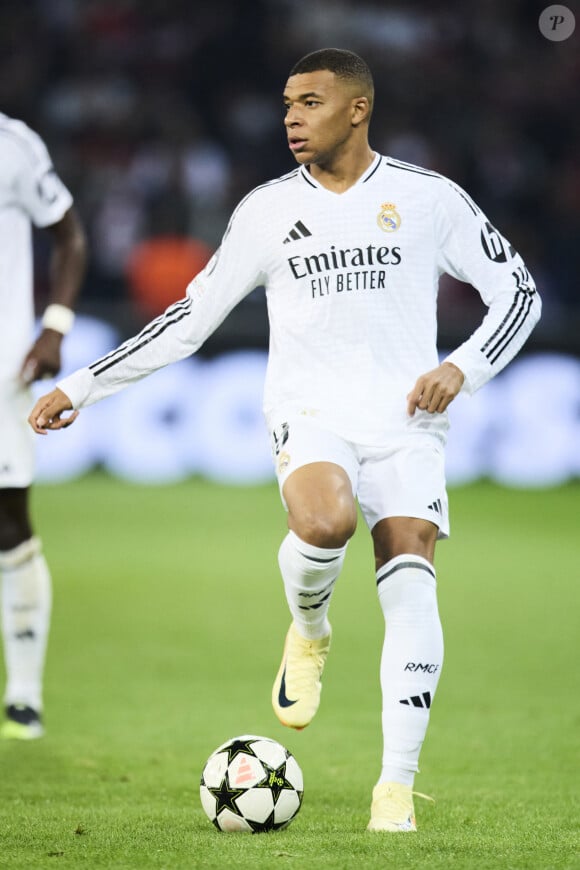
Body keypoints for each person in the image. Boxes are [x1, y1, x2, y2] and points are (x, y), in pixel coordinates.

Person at [28, 49, 540, 827]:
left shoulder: (428, 199)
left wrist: (464, 368)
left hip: (408, 423)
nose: (292, 117)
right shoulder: (265, 211)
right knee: (325, 520)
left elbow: (520, 294)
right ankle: (310, 631)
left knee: (411, 580)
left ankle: (394, 786)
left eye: (310, 102)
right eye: (287, 103)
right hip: (311, 412)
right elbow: (190, 321)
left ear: (358, 109)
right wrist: (83, 385)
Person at [0, 112, 87, 739]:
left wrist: (54, 324)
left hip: (3, 370)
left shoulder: (14, 145)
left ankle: (23, 696)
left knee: (8, 522)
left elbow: (70, 237)